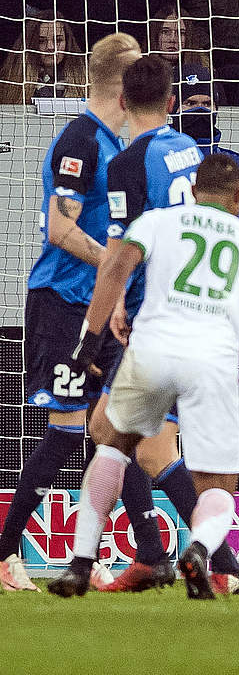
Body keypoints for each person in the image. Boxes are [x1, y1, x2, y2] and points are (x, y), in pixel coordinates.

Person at [47, 154, 239, 599]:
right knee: (216, 486)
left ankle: (81, 563)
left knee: (112, 443)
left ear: (194, 190)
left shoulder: (159, 220)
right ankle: (200, 552)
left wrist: (90, 339)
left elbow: (117, 266)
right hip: (214, 364)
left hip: (154, 351)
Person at [0, 33, 141, 593]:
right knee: (65, 434)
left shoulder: (111, 143)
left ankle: (95, 553)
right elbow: (59, 228)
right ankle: (5, 554)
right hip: (62, 303)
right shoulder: (81, 139)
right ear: (126, 89)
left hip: (97, 307)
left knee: (112, 431)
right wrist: (114, 262)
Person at [172, 66, 239, 226]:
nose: (199, 110)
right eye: (190, 103)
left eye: (207, 103)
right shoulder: (156, 158)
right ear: (174, 107)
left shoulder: (237, 165)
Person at [0, 11, 88, 104]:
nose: (50, 47)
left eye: (58, 40)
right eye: (41, 41)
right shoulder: (11, 82)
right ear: (30, 45)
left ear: (67, 43)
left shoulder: (86, 80)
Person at [147, 5, 213, 84]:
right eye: (165, 32)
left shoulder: (204, 70)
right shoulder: (140, 72)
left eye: (181, 33)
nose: (173, 39)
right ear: (155, 35)